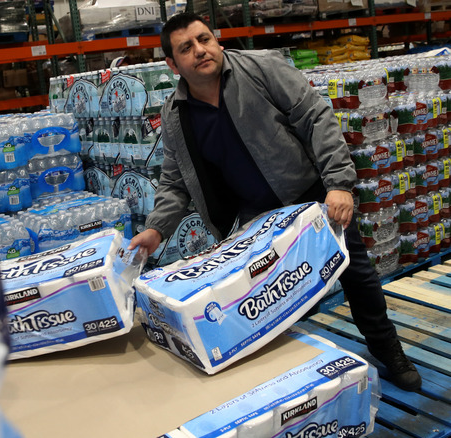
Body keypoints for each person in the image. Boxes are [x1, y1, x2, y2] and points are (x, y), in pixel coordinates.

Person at [128, 12, 422, 392]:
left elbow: (316, 117)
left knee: (356, 274)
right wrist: (156, 228)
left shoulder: (261, 68)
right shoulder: (176, 115)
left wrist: (339, 183)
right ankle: (297, 379)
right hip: (258, 219)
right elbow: (175, 181)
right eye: (187, 47)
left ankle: (389, 350)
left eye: (204, 39)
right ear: (172, 64)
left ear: (216, 40)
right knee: (272, 298)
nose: (200, 50)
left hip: (311, 198)